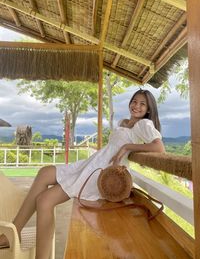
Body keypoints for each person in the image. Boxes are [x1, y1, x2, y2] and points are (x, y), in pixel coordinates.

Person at [0, 89, 165, 259]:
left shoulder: (144, 125)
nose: (136, 106)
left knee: (44, 201)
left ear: (149, 110)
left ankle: (26, 245)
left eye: (142, 104)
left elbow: (159, 147)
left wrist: (128, 147)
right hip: (93, 163)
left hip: (99, 173)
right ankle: (14, 232)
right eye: (134, 101)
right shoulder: (124, 122)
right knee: (44, 173)